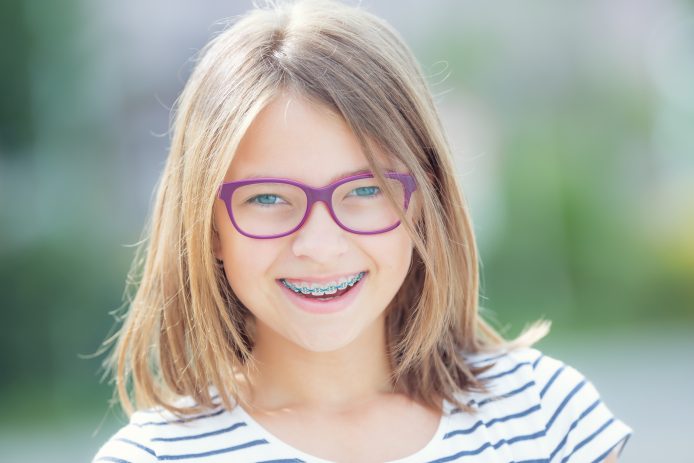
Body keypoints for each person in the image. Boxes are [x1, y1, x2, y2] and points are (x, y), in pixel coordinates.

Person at [92, 0, 633, 461]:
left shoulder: (542, 415)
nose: (321, 247)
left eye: (367, 190)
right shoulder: (152, 457)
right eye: (268, 199)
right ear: (208, 226)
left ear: (423, 200)